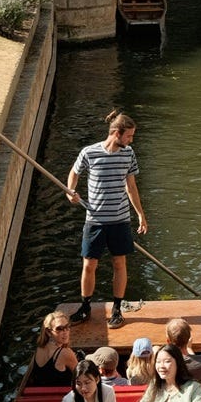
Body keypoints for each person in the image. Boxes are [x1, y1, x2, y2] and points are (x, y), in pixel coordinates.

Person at [66, 110, 148, 329]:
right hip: (95, 220)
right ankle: (85, 307)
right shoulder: (89, 152)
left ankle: (117, 309)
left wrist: (140, 214)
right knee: (89, 264)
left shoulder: (128, 154)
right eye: (129, 136)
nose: (131, 140)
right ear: (116, 133)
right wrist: (70, 191)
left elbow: (131, 186)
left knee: (119, 263)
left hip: (120, 220)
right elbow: (74, 173)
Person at [31, 310, 81, 387]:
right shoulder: (65, 353)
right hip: (63, 393)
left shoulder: (39, 348)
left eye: (67, 327)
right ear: (48, 332)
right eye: (59, 329)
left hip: (42, 391)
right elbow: (81, 377)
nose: (65, 332)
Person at [165, 317, 201, 384]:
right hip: (200, 389)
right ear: (189, 339)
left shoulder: (167, 366)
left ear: (168, 341)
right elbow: (194, 363)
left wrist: (189, 349)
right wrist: (189, 349)